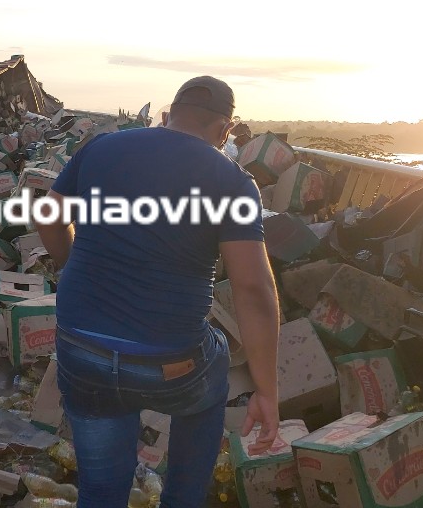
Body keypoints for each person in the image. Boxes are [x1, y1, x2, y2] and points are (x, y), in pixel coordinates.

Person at [35, 76, 281, 508]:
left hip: (82, 349)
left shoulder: (102, 147)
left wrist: (68, 264)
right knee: (216, 356)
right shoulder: (232, 180)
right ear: (225, 130)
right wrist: (267, 392)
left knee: (101, 489)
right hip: (171, 362)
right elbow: (252, 287)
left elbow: (49, 215)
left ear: (168, 115)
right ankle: (182, 498)